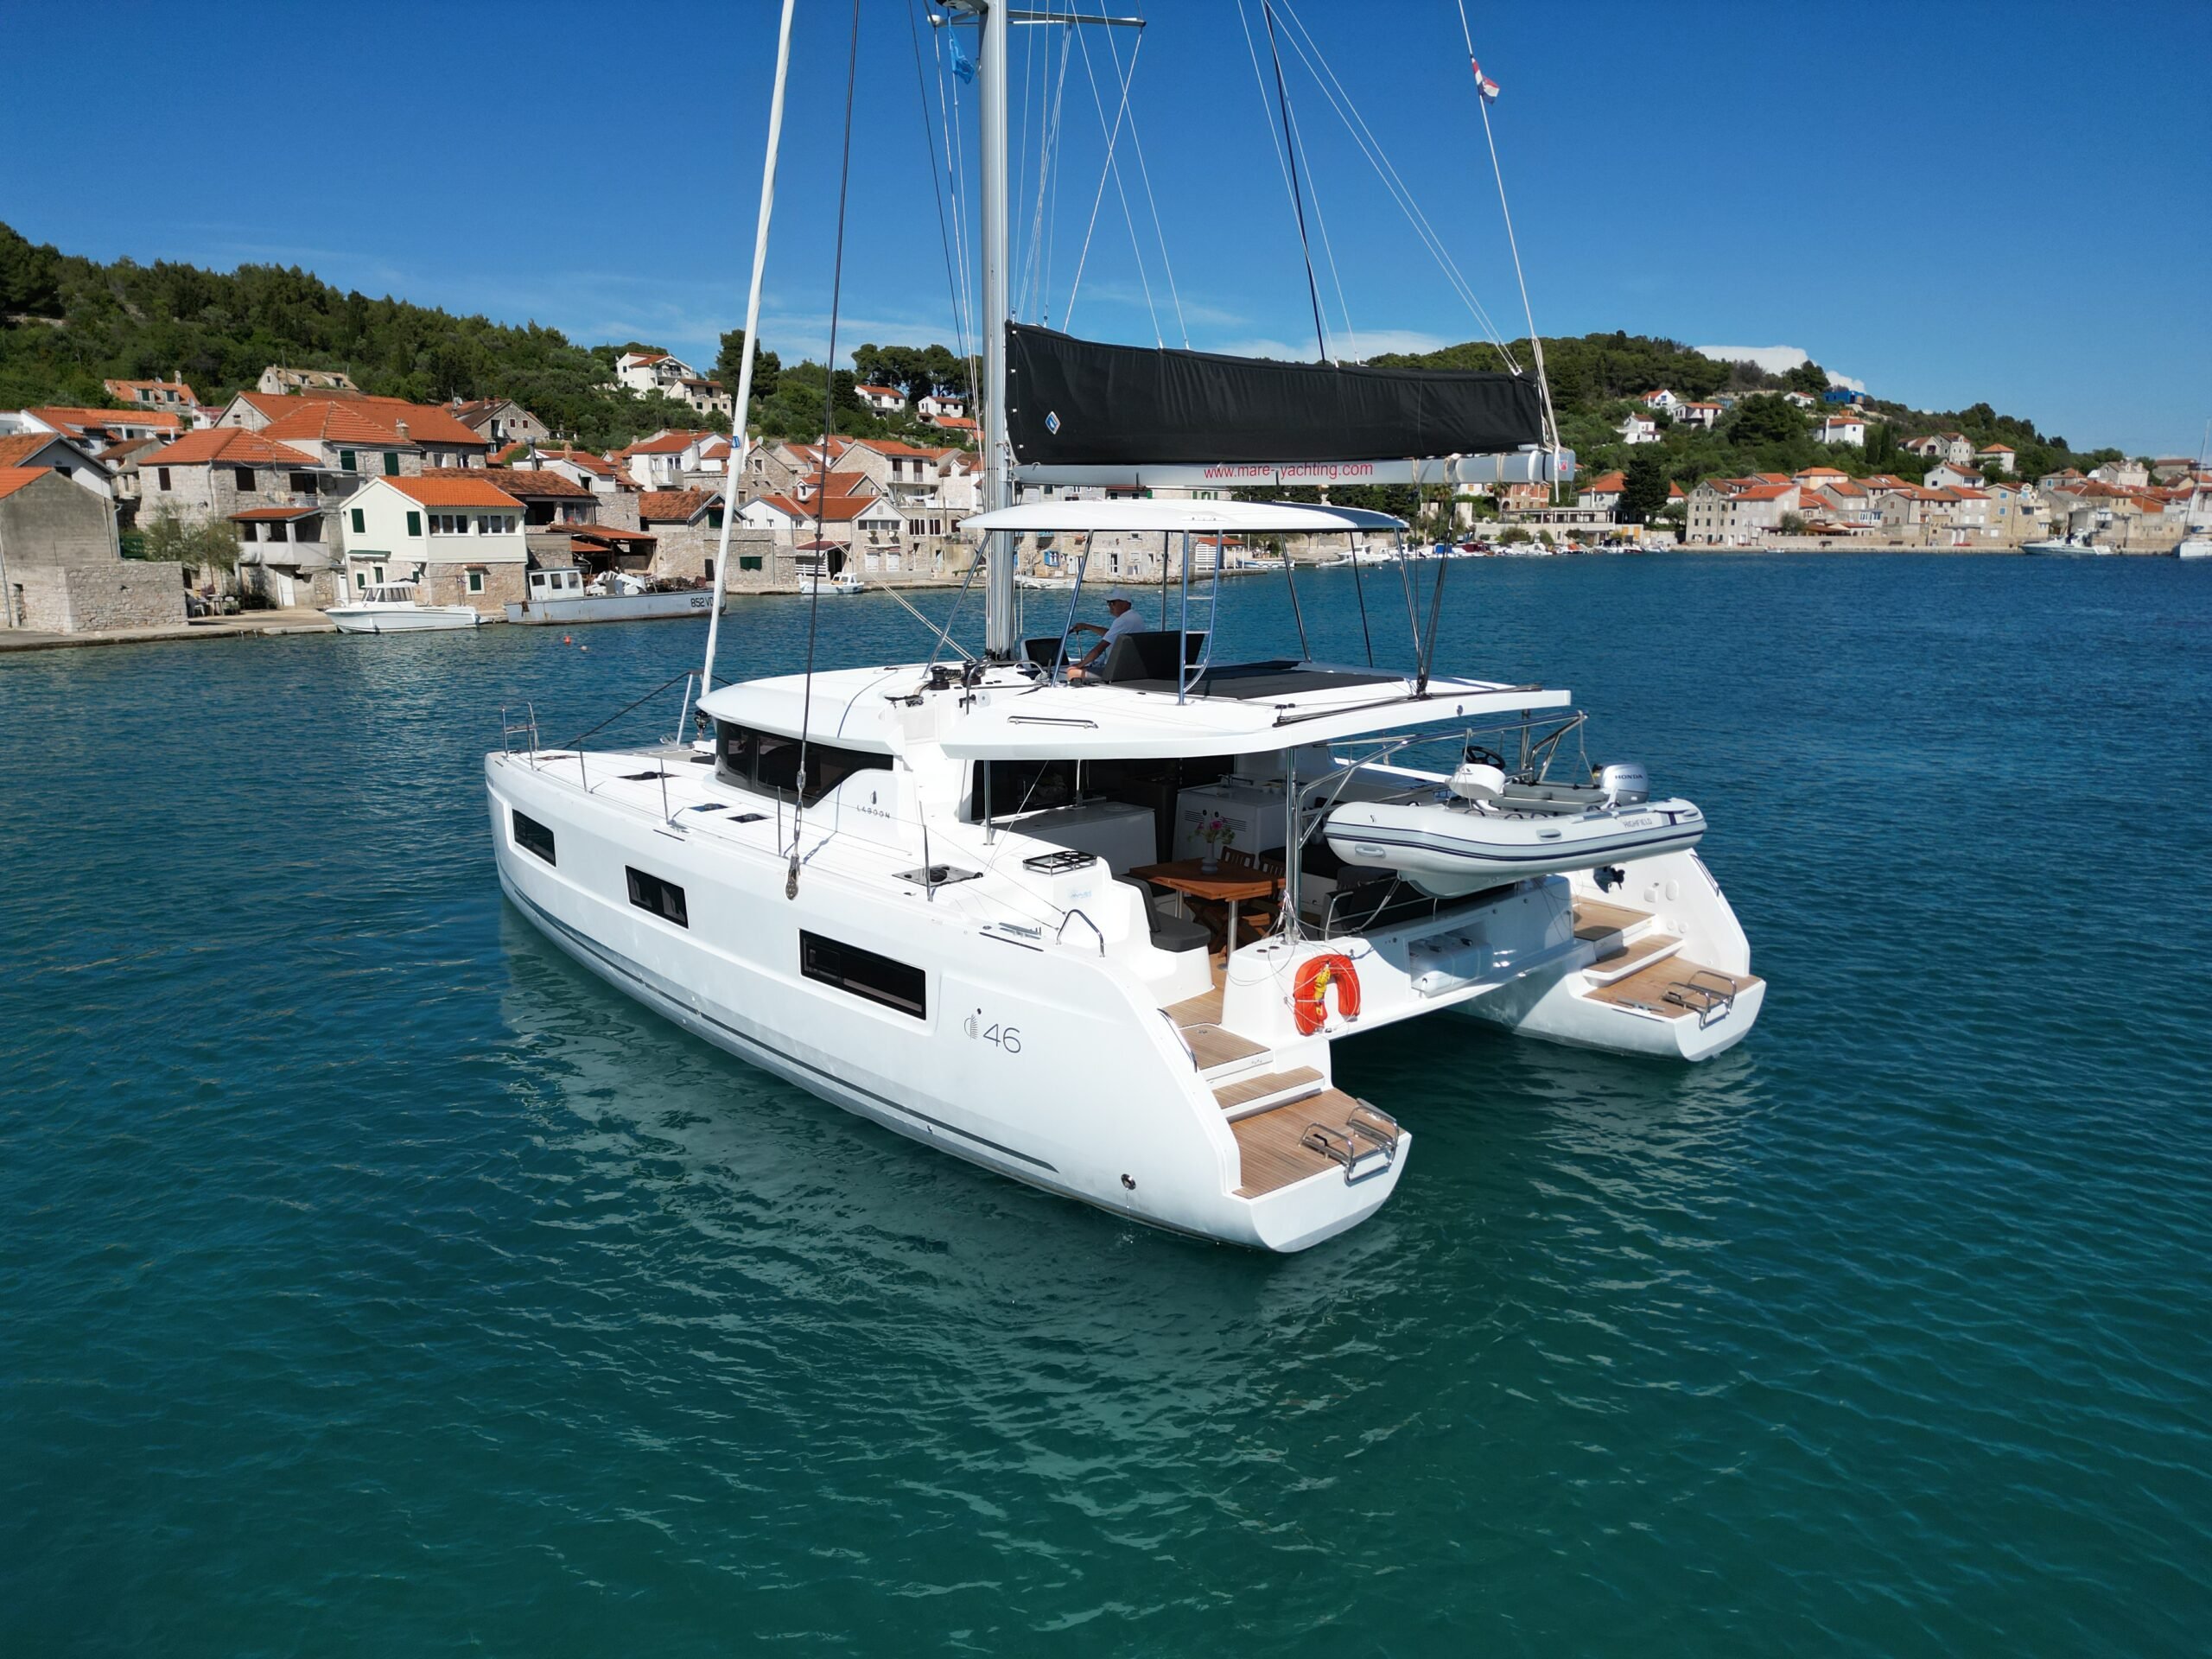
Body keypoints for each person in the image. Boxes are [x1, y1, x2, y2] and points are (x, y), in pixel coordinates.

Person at [1065, 589, 1145, 680]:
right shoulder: (1135, 617)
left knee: (1071, 672)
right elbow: (1110, 634)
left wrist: (1080, 664)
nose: (1110, 606)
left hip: (1115, 671)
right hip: (1130, 667)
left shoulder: (1122, 621)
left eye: (1113, 603)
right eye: (1108, 603)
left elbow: (1099, 649)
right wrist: (1086, 626)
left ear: (1125, 604)